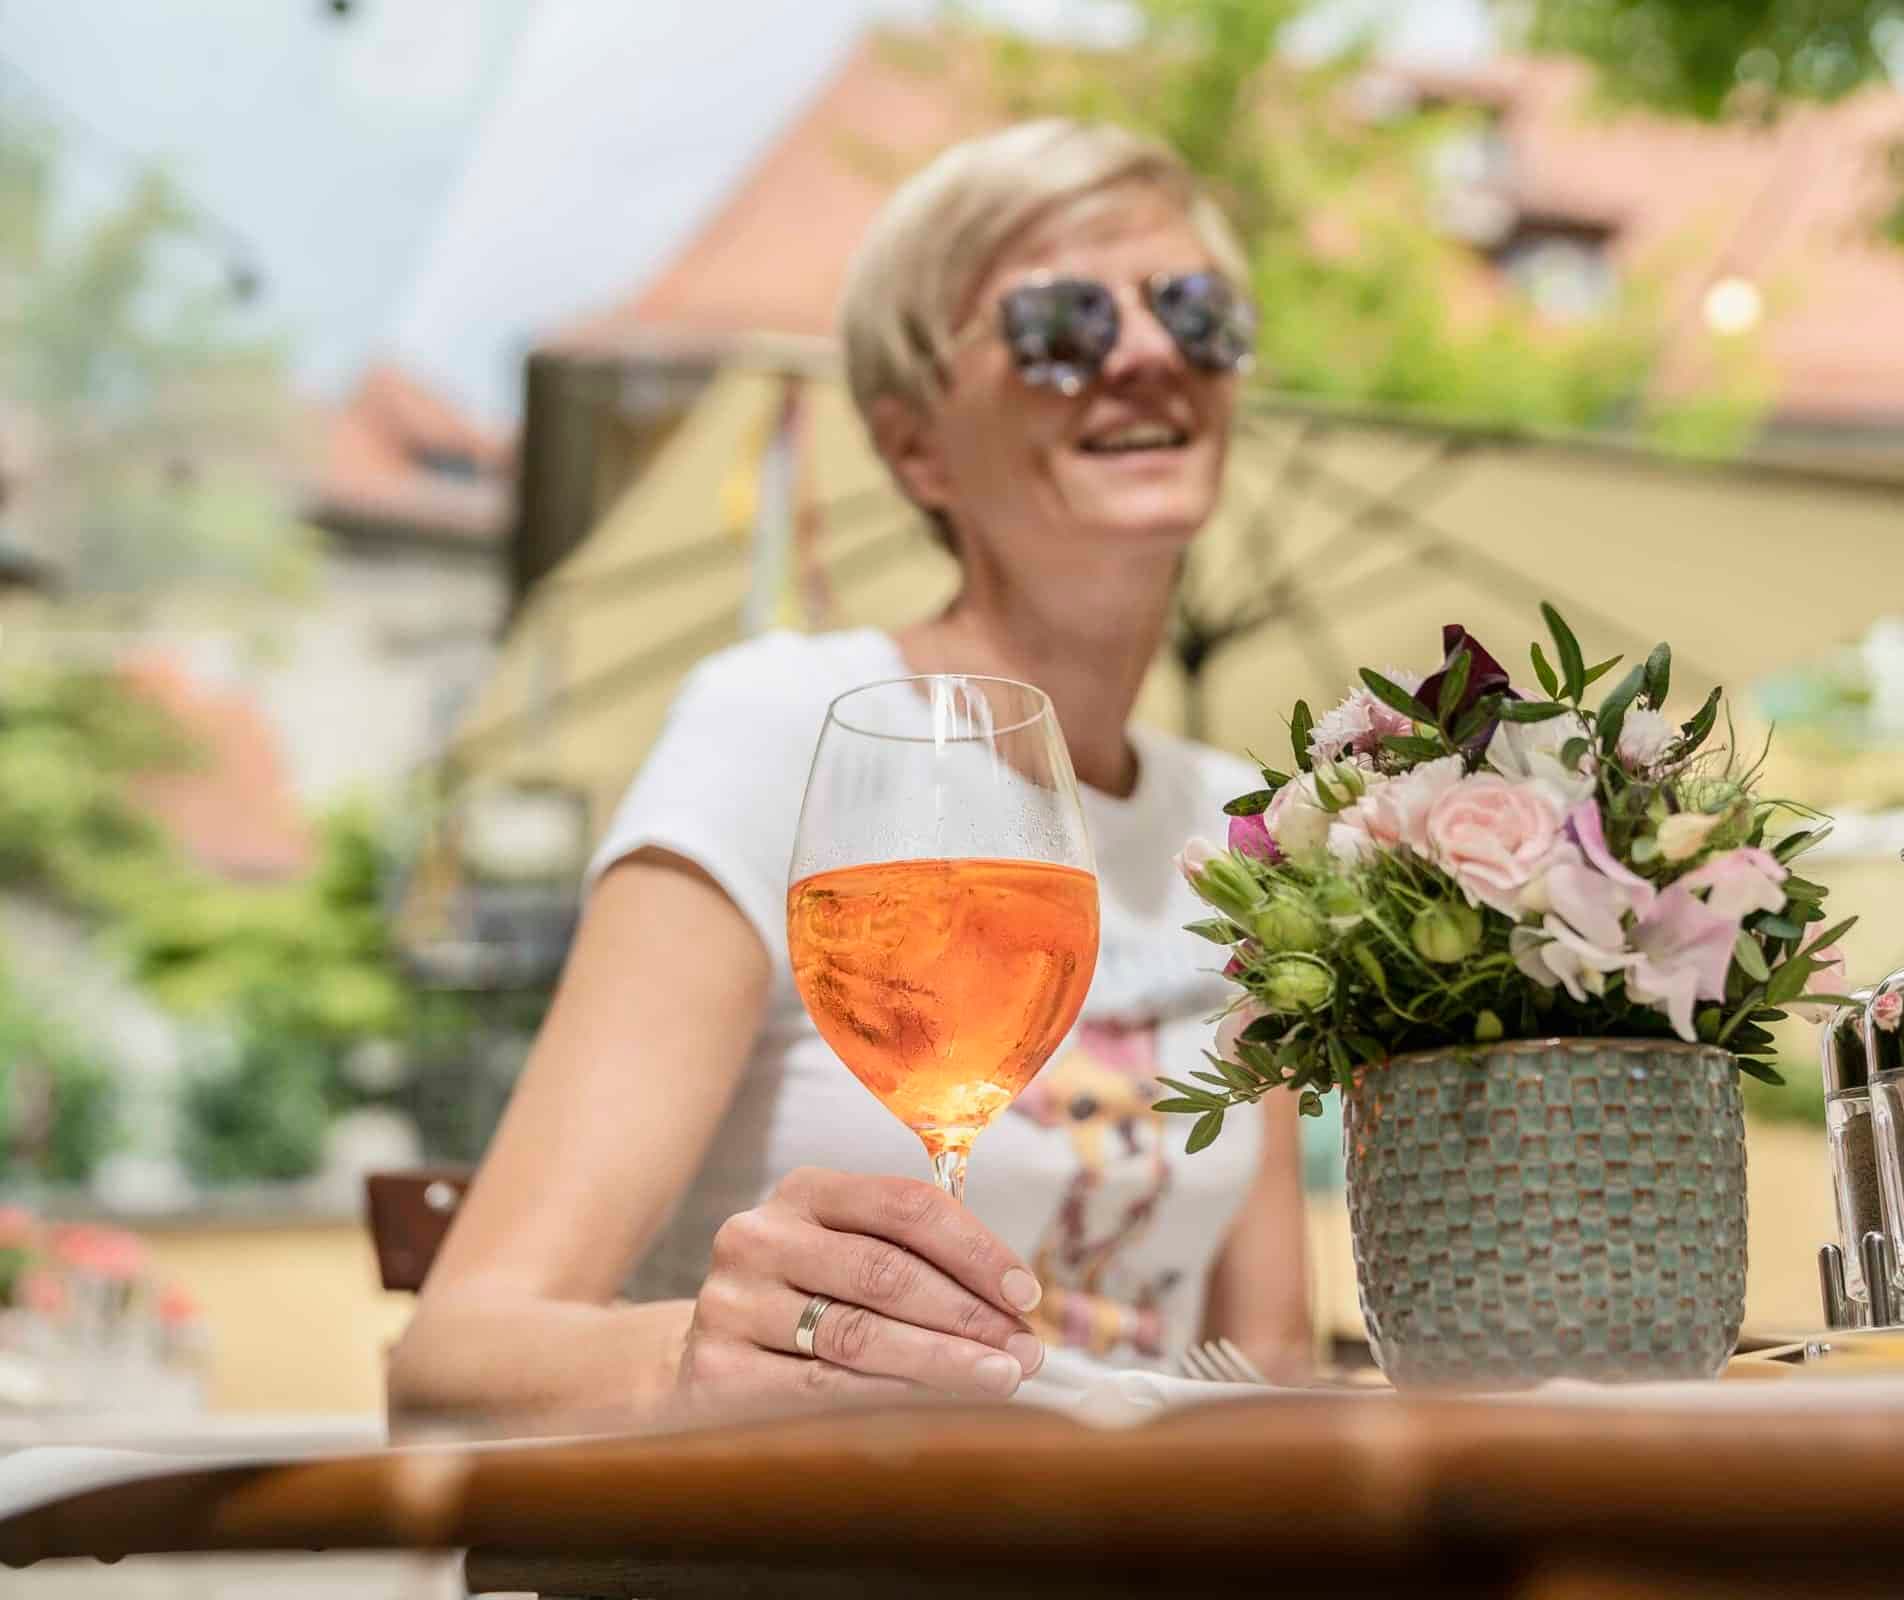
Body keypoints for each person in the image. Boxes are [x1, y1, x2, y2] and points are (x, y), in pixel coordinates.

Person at [387, 120, 1311, 1424]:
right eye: (1062, 322)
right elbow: (449, 1364)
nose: (1151, 353)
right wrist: (701, 1357)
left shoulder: (1238, 821)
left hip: (1137, 1528)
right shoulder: (788, 731)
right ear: (915, 445)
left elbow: (1266, 1364)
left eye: (1195, 311)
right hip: (827, 1519)